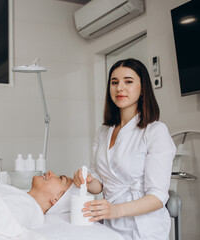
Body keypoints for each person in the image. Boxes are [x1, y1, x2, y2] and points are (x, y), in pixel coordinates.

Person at [73, 58, 176, 239]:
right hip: (109, 224)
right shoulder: (103, 132)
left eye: (128, 81)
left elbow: (158, 197)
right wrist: (87, 180)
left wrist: (115, 210)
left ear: (143, 88)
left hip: (143, 228)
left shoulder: (155, 131)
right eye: (114, 82)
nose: (120, 88)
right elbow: (100, 183)